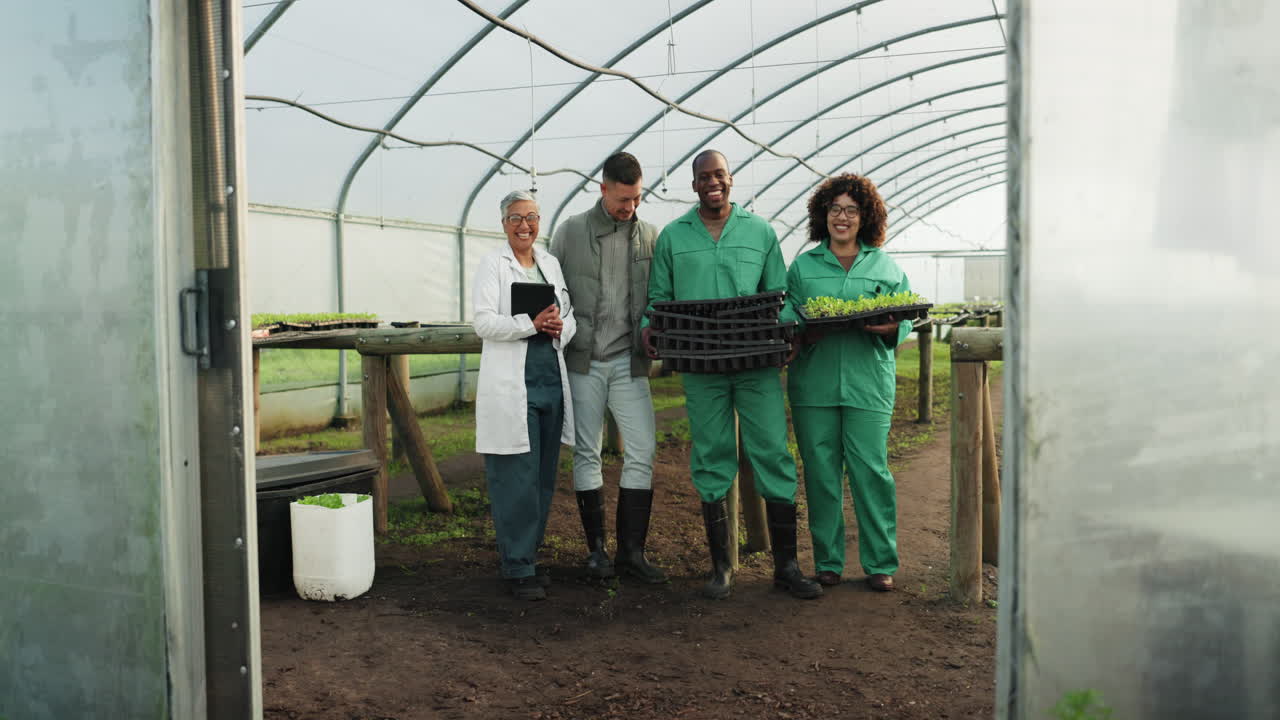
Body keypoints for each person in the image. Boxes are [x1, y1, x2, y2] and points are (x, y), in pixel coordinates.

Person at [643, 149, 821, 601]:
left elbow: (778, 293)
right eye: (704, 177)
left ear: (731, 179)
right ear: (694, 185)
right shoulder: (673, 237)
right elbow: (659, 297)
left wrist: (788, 328)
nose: (712, 182)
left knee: (772, 452)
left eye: (719, 175)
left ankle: (787, 566)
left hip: (755, 364)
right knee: (711, 453)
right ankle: (722, 567)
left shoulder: (759, 232)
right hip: (702, 366)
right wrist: (650, 326)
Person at [782, 173, 912, 592]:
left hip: (868, 383)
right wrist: (799, 330)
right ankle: (828, 562)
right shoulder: (803, 267)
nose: (842, 217)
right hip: (814, 386)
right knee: (820, 474)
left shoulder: (885, 265)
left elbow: (905, 316)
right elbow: (787, 318)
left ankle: (879, 563)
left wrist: (893, 328)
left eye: (851, 210)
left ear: (865, 216)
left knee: (871, 471)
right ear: (824, 214)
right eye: (835, 209)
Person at [550, 152, 666, 584]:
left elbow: (659, 295)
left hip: (627, 362)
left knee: (643, 449)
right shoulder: (571, 233)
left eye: (636, 199)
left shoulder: (650, 237)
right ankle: (597, 552)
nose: (630, 208)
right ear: (602, 189)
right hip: (583, 361)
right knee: (587, 451)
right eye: (622, 199)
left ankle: (631, 554)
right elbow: (550, 287)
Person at [473, 189, 576, 601]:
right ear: (503, 224)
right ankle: (516, 565)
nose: (524, 225)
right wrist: (530, 323)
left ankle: (529, 555)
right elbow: (483, 322)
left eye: (531, 217)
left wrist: (558, 328)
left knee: (543, 473)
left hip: (550, 374)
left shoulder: (549, 263)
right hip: (512, 382)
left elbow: (570, 317)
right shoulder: (492, 264)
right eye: (515, 218)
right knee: (516, 472)